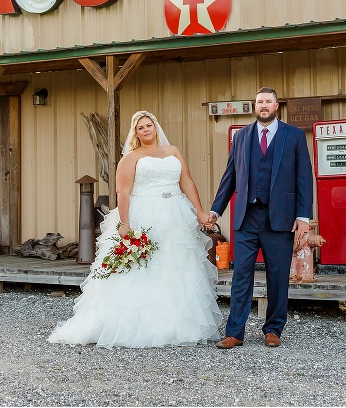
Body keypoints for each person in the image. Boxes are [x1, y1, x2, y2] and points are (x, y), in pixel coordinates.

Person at [48, 110, 222, 348]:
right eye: (140, 128)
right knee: (143, 269)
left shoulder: (173, 152)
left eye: (149, 125)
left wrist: (200, 211)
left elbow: (187, 182)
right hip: (145, 215)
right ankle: (136, 326)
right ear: (136, 133)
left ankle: (176, 326)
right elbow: (123, 192)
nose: (146, 130)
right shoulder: (131, 157)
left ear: (156, 126)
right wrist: (125, 223)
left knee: (176, 266)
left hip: (175, 214)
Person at [208, 87, 313, 349]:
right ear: (255, 107)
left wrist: (303, 217)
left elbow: (304, 178)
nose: (263, 106)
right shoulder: (242, 137)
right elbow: (229, 175)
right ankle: (235, 333)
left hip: (280, 218)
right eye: (259, 102)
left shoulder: (294, 136)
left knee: (277, 276)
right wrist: (216, 209)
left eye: (268, 102)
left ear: (277, 106)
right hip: (247, 217)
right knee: (241, 275)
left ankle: (273, 329)